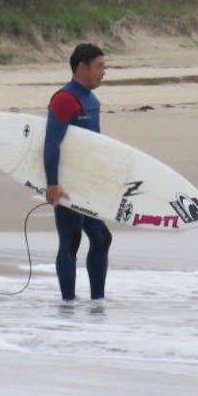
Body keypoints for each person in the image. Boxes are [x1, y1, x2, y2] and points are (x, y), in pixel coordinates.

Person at [44, 43, 112, 301]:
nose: (103, 72)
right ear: (81, 66)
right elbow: (52, 142)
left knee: (101, 237)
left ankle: (97, 302)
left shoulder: (91, 100)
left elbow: (95, 146)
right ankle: (68, 303)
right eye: (99, 66)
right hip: (67, 184)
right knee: (71, 240)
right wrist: (52, 183)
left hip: (88, 184)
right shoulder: (64, 99)